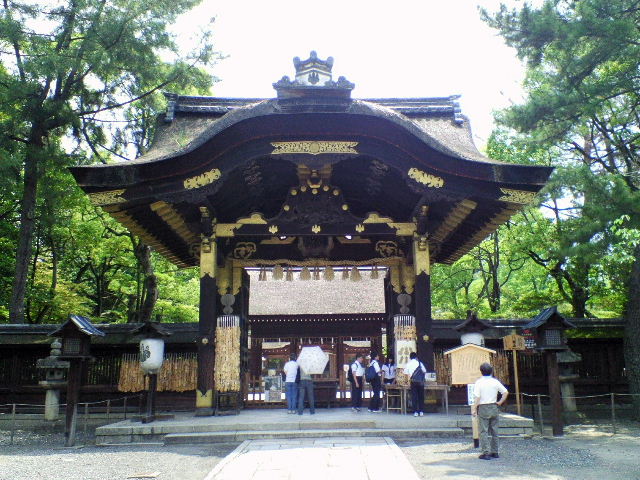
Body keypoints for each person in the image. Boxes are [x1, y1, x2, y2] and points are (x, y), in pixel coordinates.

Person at [472, 362, 509, 460]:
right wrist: (500, 402)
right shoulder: (495, 382)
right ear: (491, 371)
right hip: (494, 406)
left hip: (483, 407)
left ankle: (486, 452)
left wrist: (474, 408)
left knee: (483, 431)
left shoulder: (479, 382)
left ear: (481, 372)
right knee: (494, 430)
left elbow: (477, 397)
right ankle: (495, 452)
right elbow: (505, 392)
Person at [404, 352, 426, 417]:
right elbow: (424, 371)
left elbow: (405, 373)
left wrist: (406, 382)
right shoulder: (419, 363)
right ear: (416, 357)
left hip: (413, 382)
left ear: (410, 357)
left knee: (414, 396)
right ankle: (421, 411)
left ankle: (415, 412)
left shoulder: (408, 364)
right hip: (420, 382)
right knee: (421, 396)